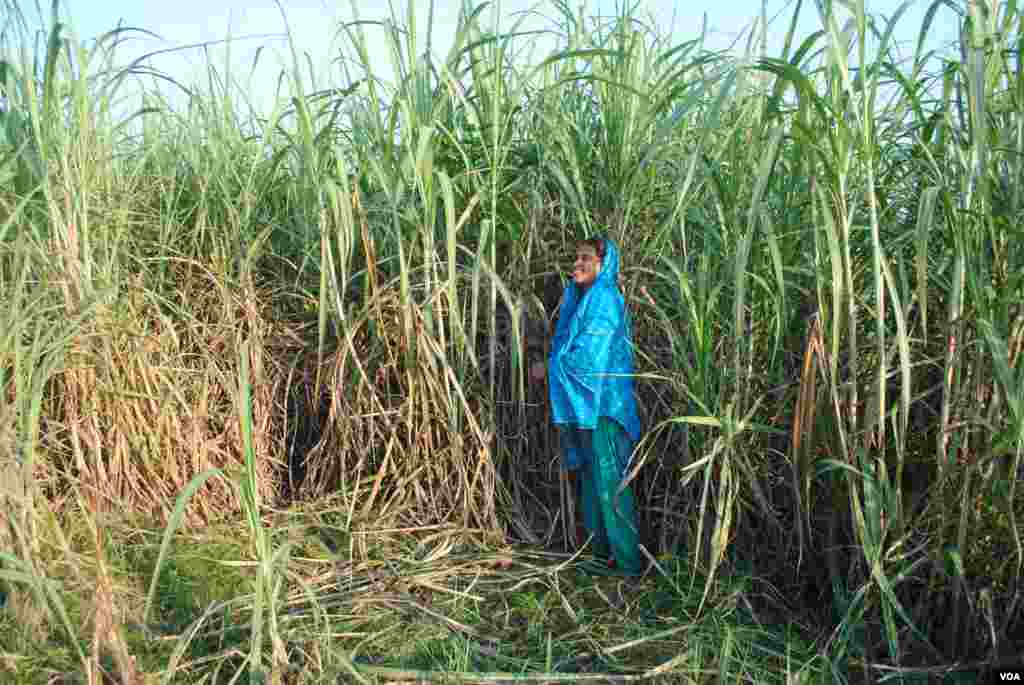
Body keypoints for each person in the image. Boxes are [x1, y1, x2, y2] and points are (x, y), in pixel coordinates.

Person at [530, 236, 643, 575]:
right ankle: (601, 557)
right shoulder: (580, 300)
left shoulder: (605, 300)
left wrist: (548, 367)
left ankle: (628, 564)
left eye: (585, 258)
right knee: (594, 484)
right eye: (575, 257)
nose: (576, 264)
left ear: (603, 264)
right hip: (586, 410)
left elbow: (589, 361)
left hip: (606, 408)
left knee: (611, 484)